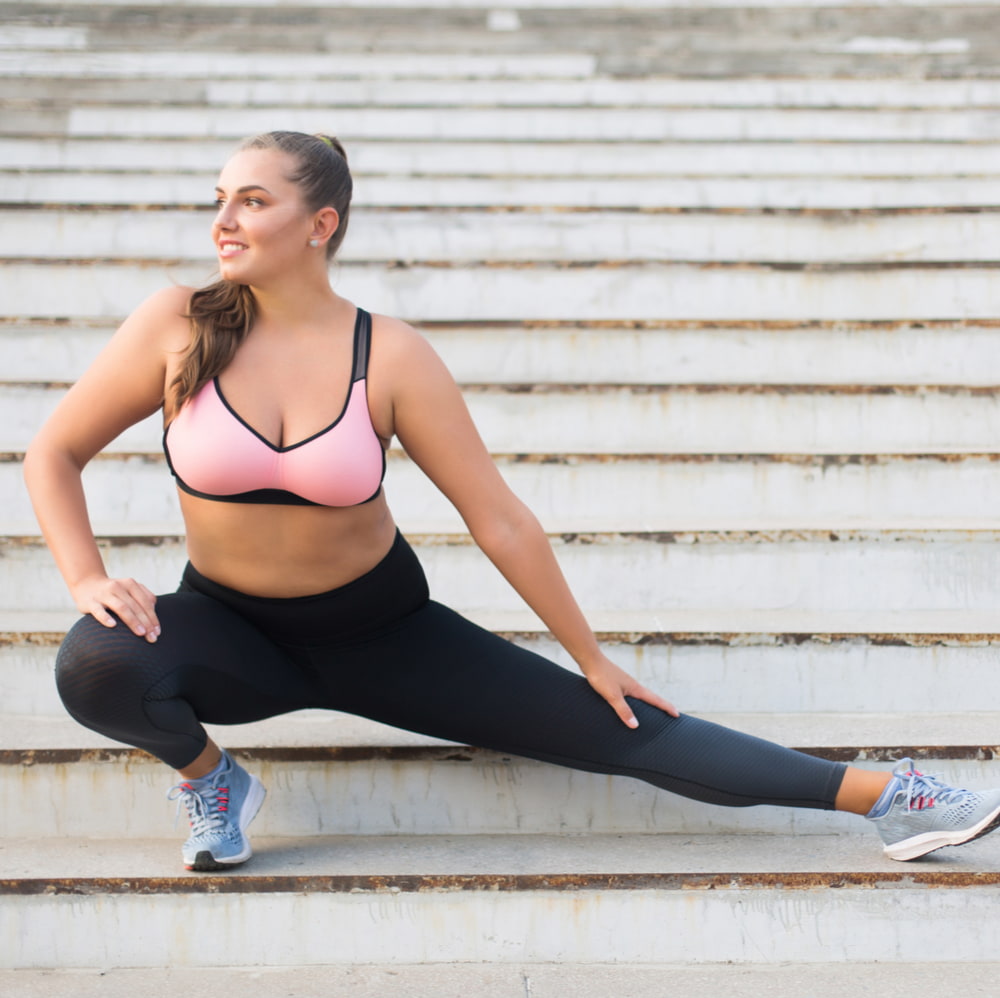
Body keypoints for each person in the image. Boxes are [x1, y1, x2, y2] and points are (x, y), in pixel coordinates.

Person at [23, 130, 1000, 871]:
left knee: (630, 734)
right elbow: (54, 451)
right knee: (96, 659)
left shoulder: (391, 354)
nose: (222, 222)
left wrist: (588, 657)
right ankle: (212, 782)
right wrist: (86, 573)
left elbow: (498, 518)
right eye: (218, 201)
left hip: (386, 633)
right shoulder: (175, 325)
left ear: (320, 224)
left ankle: (892, 793)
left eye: (251, 201)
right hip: (228, 630)